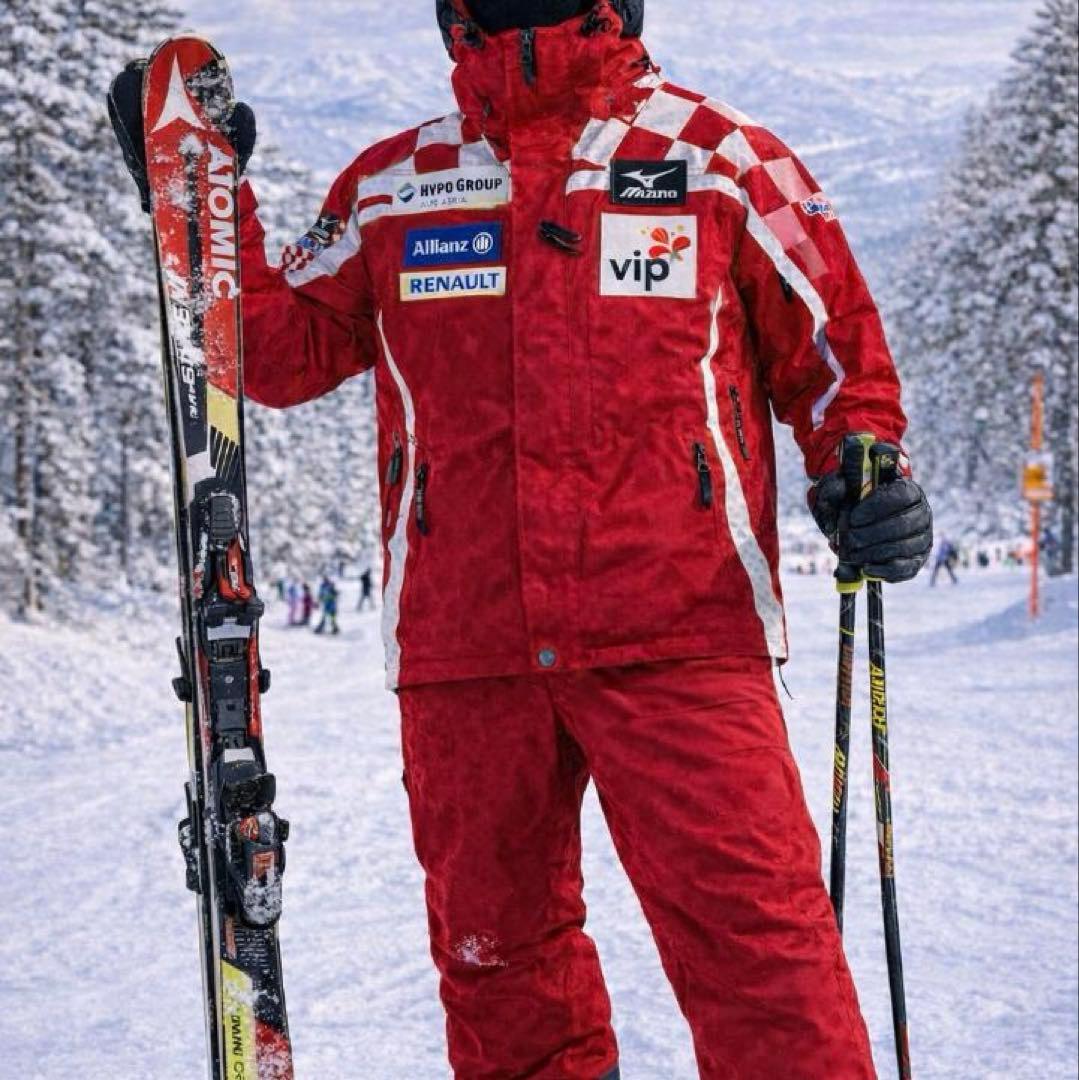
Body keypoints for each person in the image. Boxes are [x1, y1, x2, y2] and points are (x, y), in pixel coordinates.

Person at [110, 3, 934, 1076]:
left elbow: (831, 348)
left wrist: (862, 464)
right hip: (467, 644)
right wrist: (206, 221)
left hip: (680, 628)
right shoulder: (394, 186)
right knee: (498, 963)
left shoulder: (715, 159)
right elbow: (275, 349)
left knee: (760, 951)